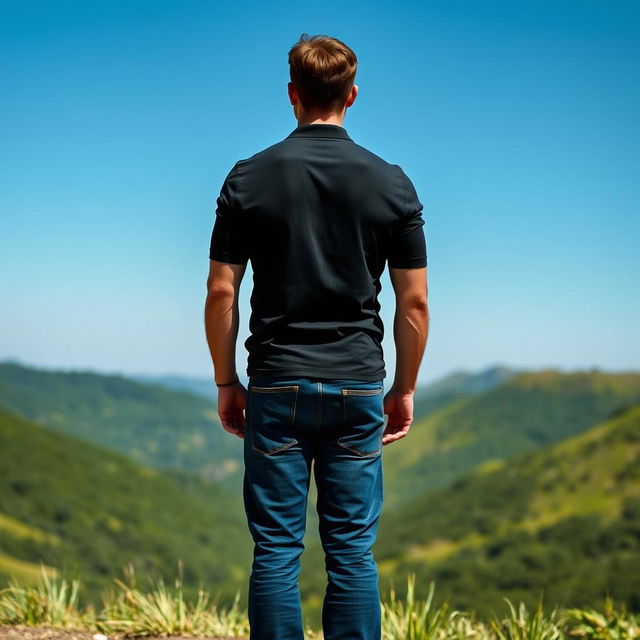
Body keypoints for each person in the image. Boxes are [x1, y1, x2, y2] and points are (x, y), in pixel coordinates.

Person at [204, 32, 429, 640]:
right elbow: (414, 302)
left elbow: (222, 292)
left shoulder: (247, 179)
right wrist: (402, 387)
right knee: (351, 552)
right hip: (358, 383)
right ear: (351, 95)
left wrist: (228, 380)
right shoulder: (393, 183)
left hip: (275, 383)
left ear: (292, 95)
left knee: (276, 550)